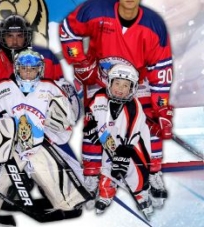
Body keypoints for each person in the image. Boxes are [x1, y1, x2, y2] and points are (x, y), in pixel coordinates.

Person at [59, 0, 173, 208]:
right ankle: (92, 176)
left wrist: (162, 107)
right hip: (101, 78)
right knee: (93, 124)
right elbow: (68, 30)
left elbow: (161, 68)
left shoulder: (154, 24)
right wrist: (80, 61)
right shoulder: (94, 9)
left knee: (152, 121)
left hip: (137, 82)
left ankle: (152, 170)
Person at [0, 49, 88, 218]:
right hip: (12, 146)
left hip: (40, 145)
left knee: (60, 190)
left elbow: (64, 123)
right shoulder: (2, 89)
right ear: (17, 68)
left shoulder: (50, 88)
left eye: (33, 69)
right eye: (24, 68)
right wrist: (3, 145)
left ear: (40, 69)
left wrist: (56, 124)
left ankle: (68, 199)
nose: (28, 73)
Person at [0, 14, 81, 118]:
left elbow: (61, 92)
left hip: (37, 118)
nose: (15, 41)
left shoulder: (46, 57)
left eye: (19, 36)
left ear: (27, 37)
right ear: (1, 37)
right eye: (10, 36)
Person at [83, 64, 153, 217]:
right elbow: (90, 114)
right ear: (109, 83)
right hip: (109, 139)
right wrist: (90, 125)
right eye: (117, 83)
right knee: (107, 166)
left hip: (133, 145)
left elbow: (133, 135)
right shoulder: (99, 97)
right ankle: (106, 192)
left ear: (132, 88)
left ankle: (141, 193)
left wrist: (123, 155)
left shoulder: (135, 106)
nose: (120, 89)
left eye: (126, 85)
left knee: (135, 169)